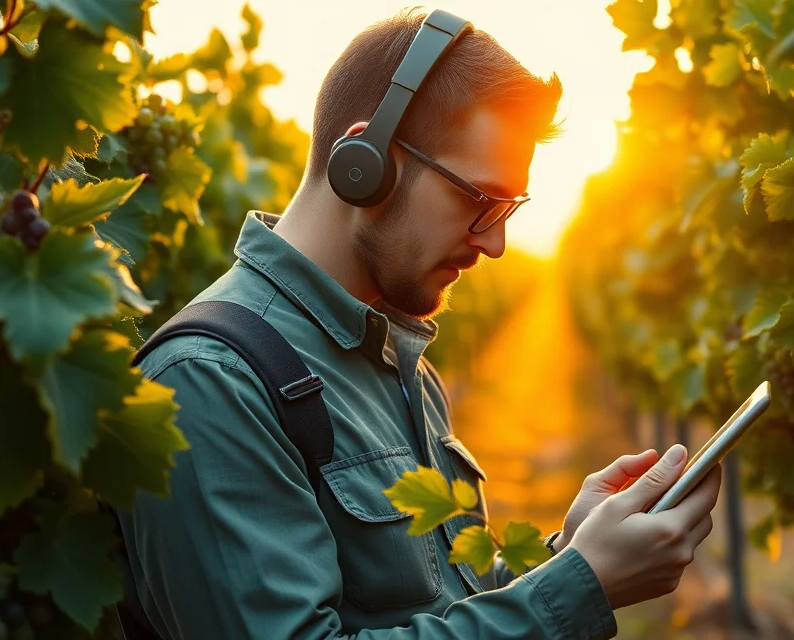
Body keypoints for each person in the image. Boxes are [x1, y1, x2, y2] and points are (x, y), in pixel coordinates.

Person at [115, 6, 723, 639]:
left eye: (509, 210)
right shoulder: (211, 383)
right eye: (480, 201)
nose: (496, 246)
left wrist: (568, 558)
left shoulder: (404, 367)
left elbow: (428, 617)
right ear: (366, 164)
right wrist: (579, 586)